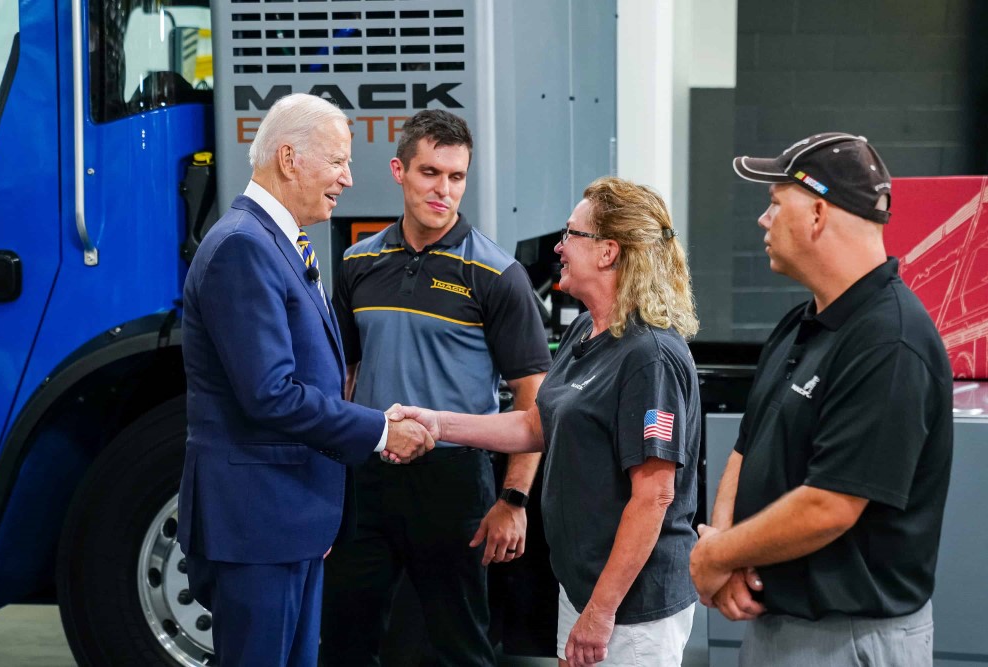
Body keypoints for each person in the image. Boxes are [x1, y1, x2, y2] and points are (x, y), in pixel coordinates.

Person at [392, 176, 702, 667]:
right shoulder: (587, 329)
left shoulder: (651, 356)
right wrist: (436, 423)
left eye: (571, 234)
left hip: (630, 607)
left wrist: (600, 613)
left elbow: (655, 496)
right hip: (582, 588)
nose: (559, 247)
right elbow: (536, 426)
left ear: (607, 252)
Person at [176, 93, 433, 667]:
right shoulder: (244, 247)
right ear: (289, 158)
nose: (347, 177)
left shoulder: (276, 241)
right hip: (257, 524)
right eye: (338, 161)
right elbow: (270, 393)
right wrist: (377, 430)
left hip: (286, 518)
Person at [690, 133, 954, 666]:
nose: (764, 221)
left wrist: (716, 554)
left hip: (849, 639)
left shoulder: (890, 342)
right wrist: (723, 550)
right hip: (777, 624)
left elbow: (830, 505)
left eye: (774, 204)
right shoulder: (802, 326)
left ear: (815, 214)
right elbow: (748, 447)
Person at [320, 109, 552, 666]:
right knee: (345, 641)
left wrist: (514, 500)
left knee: (459, 648)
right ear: (400, 171)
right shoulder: (357, 262)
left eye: (456, 177)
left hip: (454, 485)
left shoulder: (496, 274)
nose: (443, 190)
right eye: (430, 173)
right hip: (369, 476)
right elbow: (344, 376)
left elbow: (534, 400)